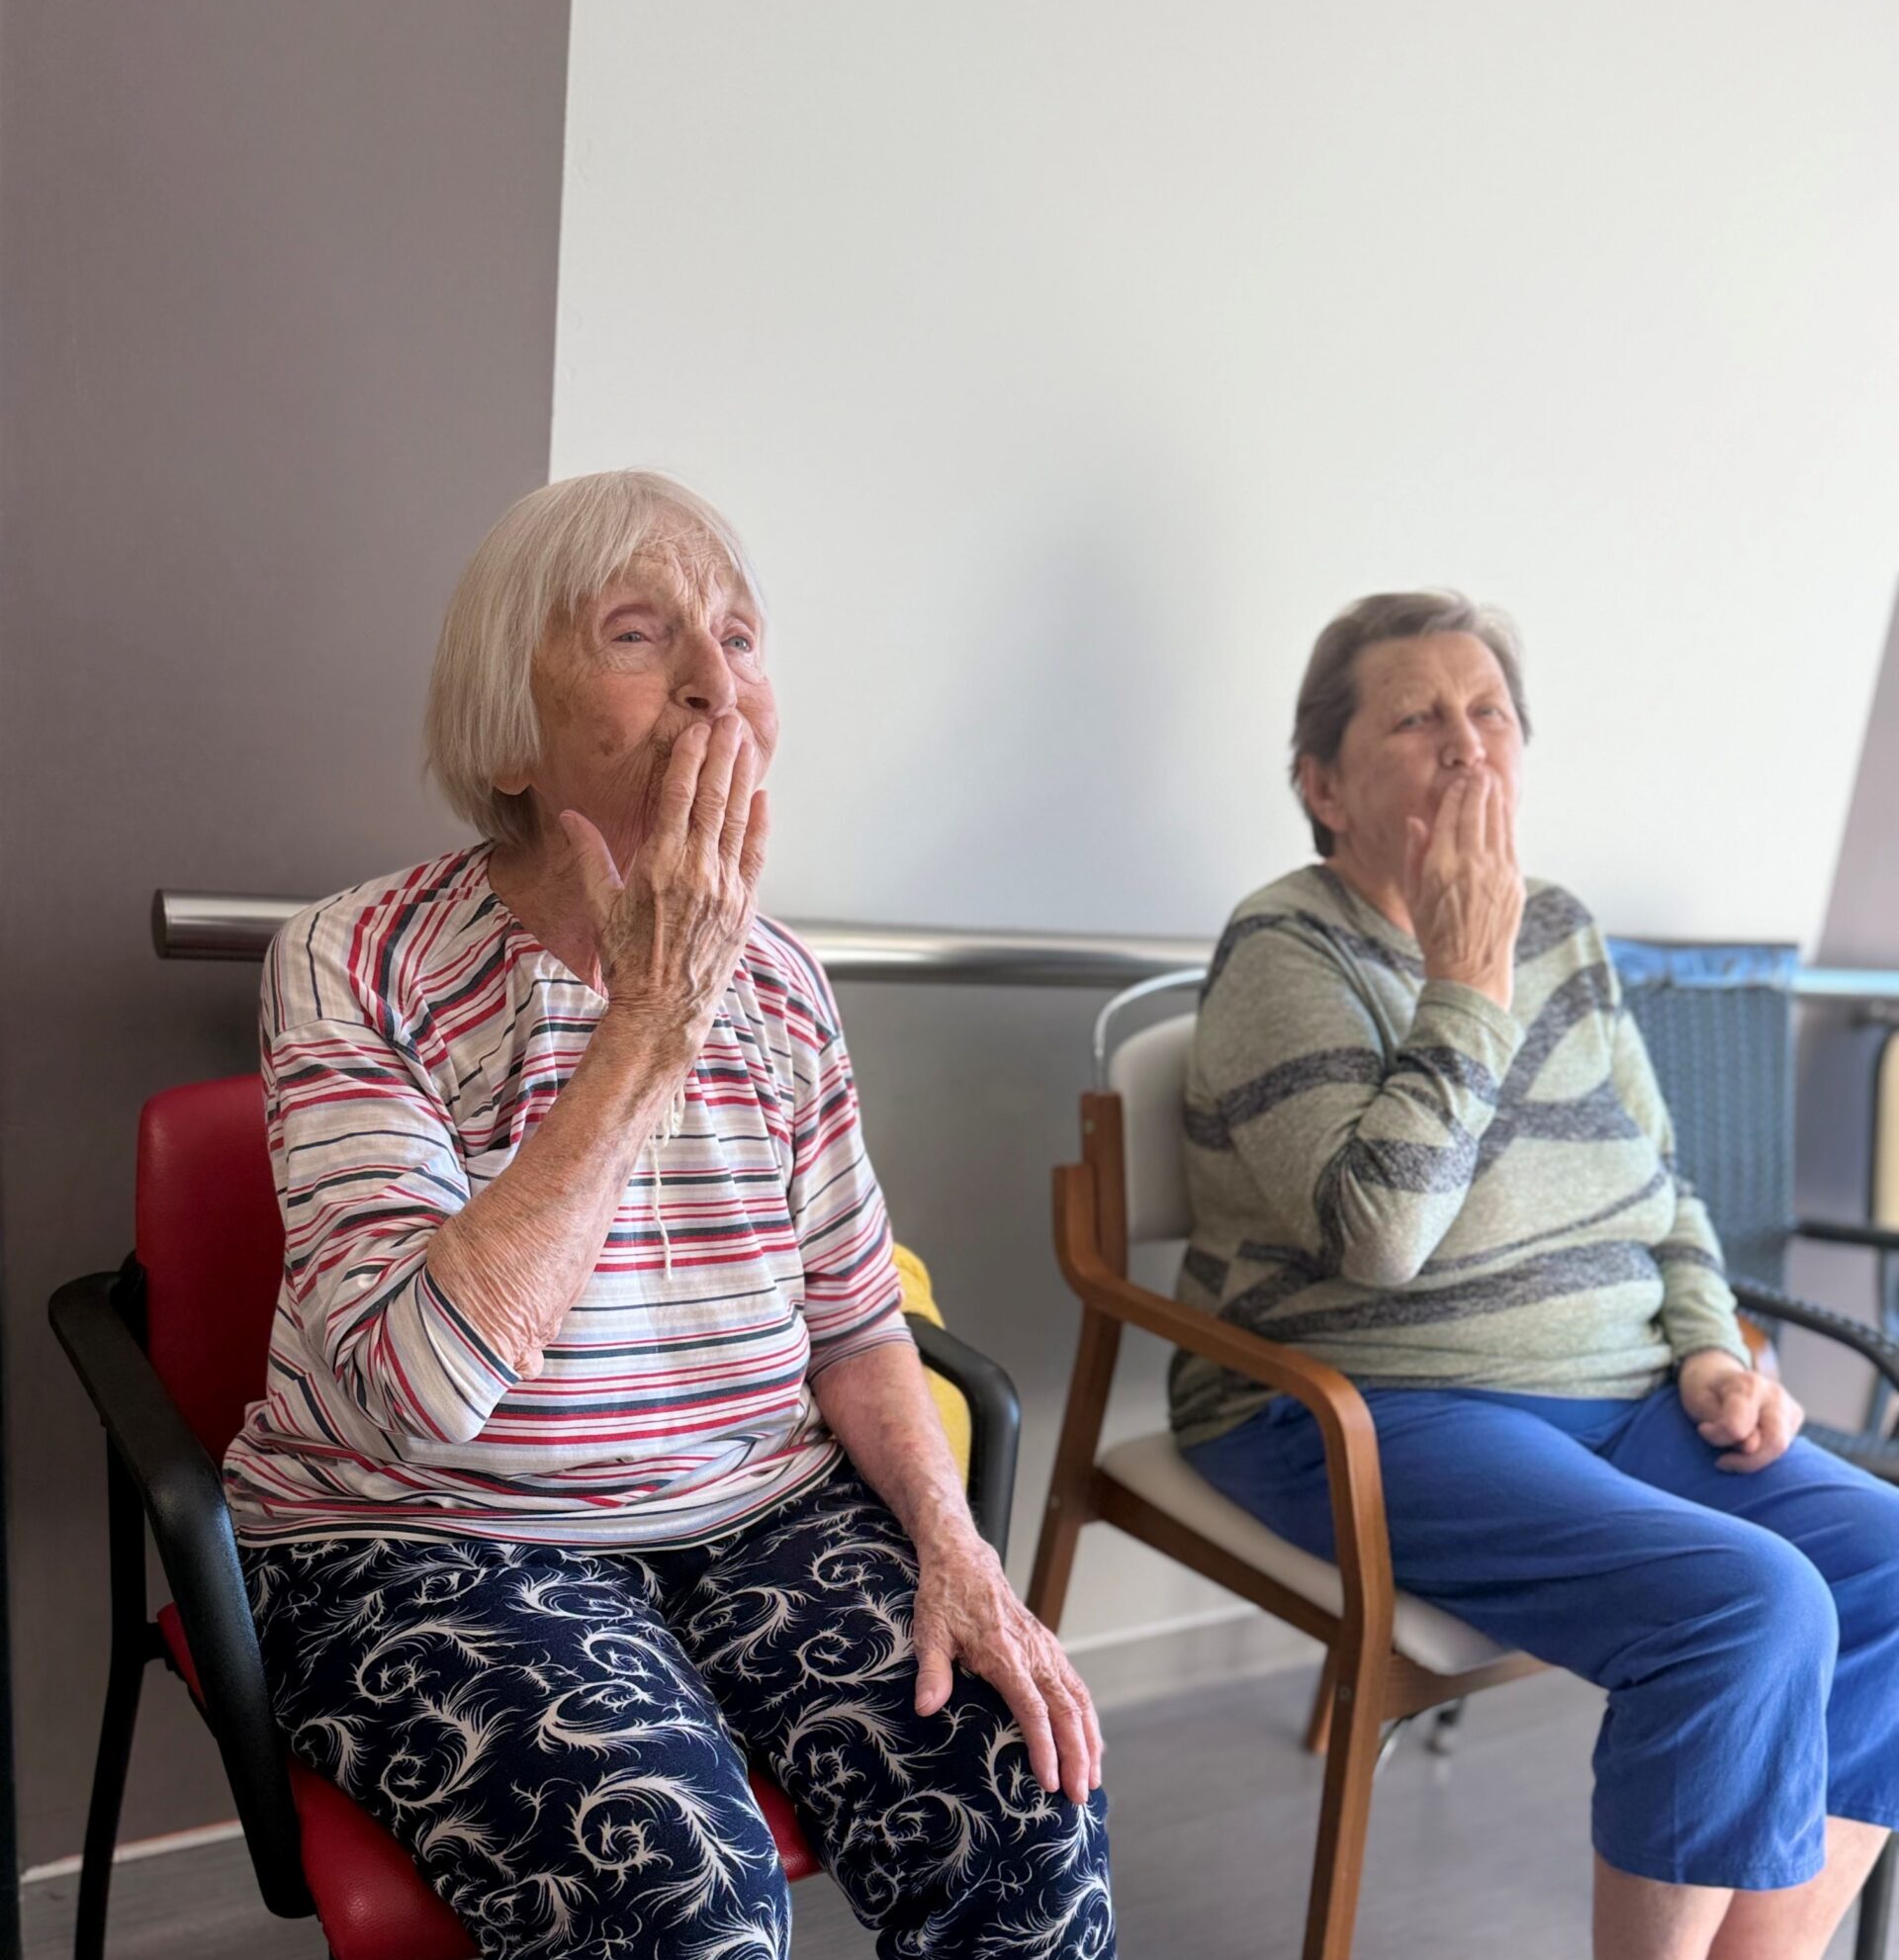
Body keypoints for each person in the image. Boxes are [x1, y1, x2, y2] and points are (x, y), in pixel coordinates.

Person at [226, 470, 1114, 1960]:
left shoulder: (786, 983)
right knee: (679, 1896)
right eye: (639, 635)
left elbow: (858, 1324)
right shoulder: (350, 960)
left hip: (756, 1507)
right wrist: (647, 1021)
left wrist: (957, 1547)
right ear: (508, 730)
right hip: (428, 1533)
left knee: (1028, 1807)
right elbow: (417, 1392)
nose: (716, 682)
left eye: (741, 639)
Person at [1173, 589, 1899, 1960]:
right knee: (1748, 1607)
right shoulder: (1285, 948)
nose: (1467, 743)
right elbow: (1379, 1240)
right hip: (1376, 1397)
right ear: (1322, 786)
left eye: (1490, 711)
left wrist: (1710, 1344)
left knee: (1891, 1569)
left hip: (1625, 1388)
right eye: (1417, 717)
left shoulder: (1563, 926)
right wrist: (1466, 975)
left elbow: (1664, 1184)